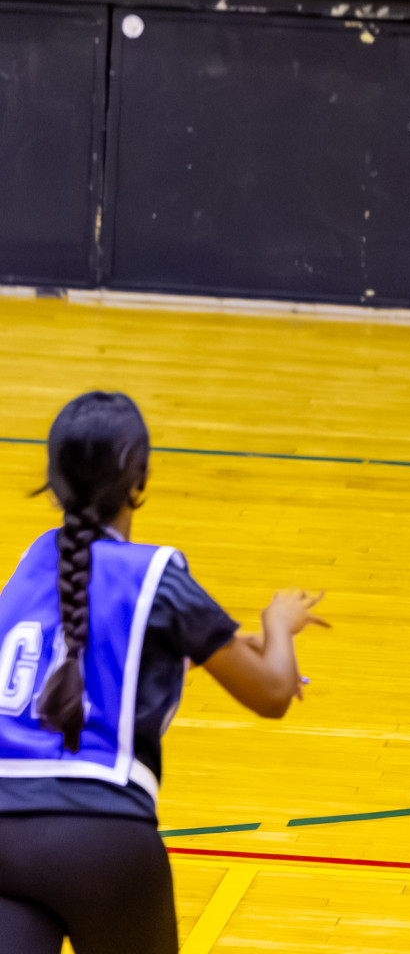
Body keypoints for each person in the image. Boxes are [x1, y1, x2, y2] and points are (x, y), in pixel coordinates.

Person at [0, 391, 329, 953]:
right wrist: (278, 624)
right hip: (101, 836)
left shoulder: (28, 567)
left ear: (53, 481)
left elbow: (75, 658)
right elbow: (274, 692)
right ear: (139, 480)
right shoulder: (154, 573)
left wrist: (194, 649)